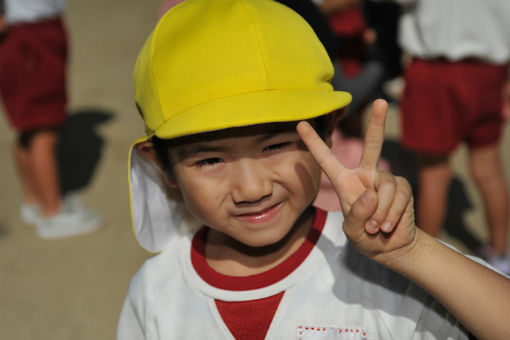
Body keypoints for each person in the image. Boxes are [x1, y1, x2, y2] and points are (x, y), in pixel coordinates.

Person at [117, 1, 510, 339]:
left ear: (329, 128)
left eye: (275, 146)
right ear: (161, 163)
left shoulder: (384, 263)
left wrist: (413, 252)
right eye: (210, 160)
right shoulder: (154, 292)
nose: (251, 189)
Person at [384, 0, 510, 274]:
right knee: (489, 169)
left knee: (434, 175)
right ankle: (501, 255)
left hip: (433, 72)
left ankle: (426, 264)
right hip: (490, 70)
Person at [0, 0, 102, 239]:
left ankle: (36, 199)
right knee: (44, 129)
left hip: (28, 34)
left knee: (28, 126)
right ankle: (52, 212)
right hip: (30, 37)